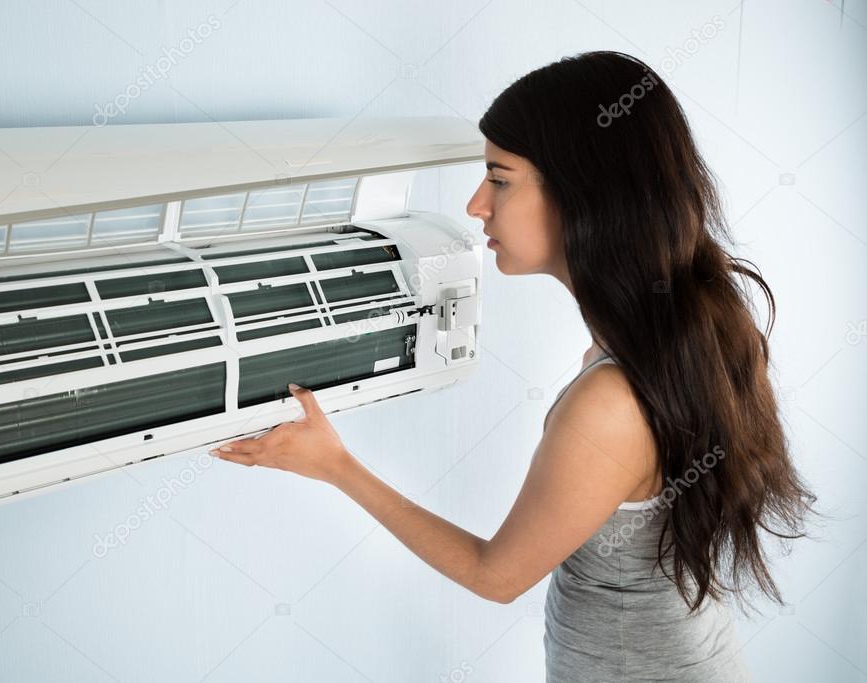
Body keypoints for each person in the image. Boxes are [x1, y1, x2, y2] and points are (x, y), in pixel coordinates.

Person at [210, 51, 816, 682]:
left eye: (499, 179)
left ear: (585, 193)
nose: (476, 205)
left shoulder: (608, 404)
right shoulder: (685, 328)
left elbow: (494, 576)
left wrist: (335, 465)